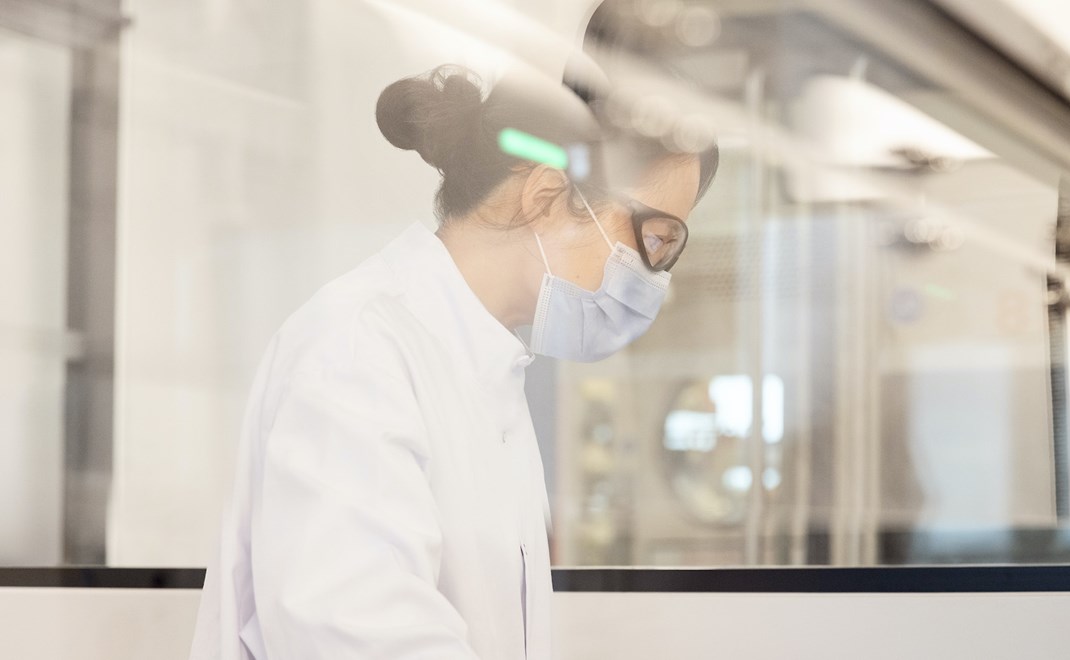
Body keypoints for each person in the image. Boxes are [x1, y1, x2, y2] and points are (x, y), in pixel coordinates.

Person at [188, 64, 718, 660]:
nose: (653, 279)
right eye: (654, 238)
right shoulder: (361, 348)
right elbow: (353, 630)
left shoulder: (486, 372)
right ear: (545, 196)